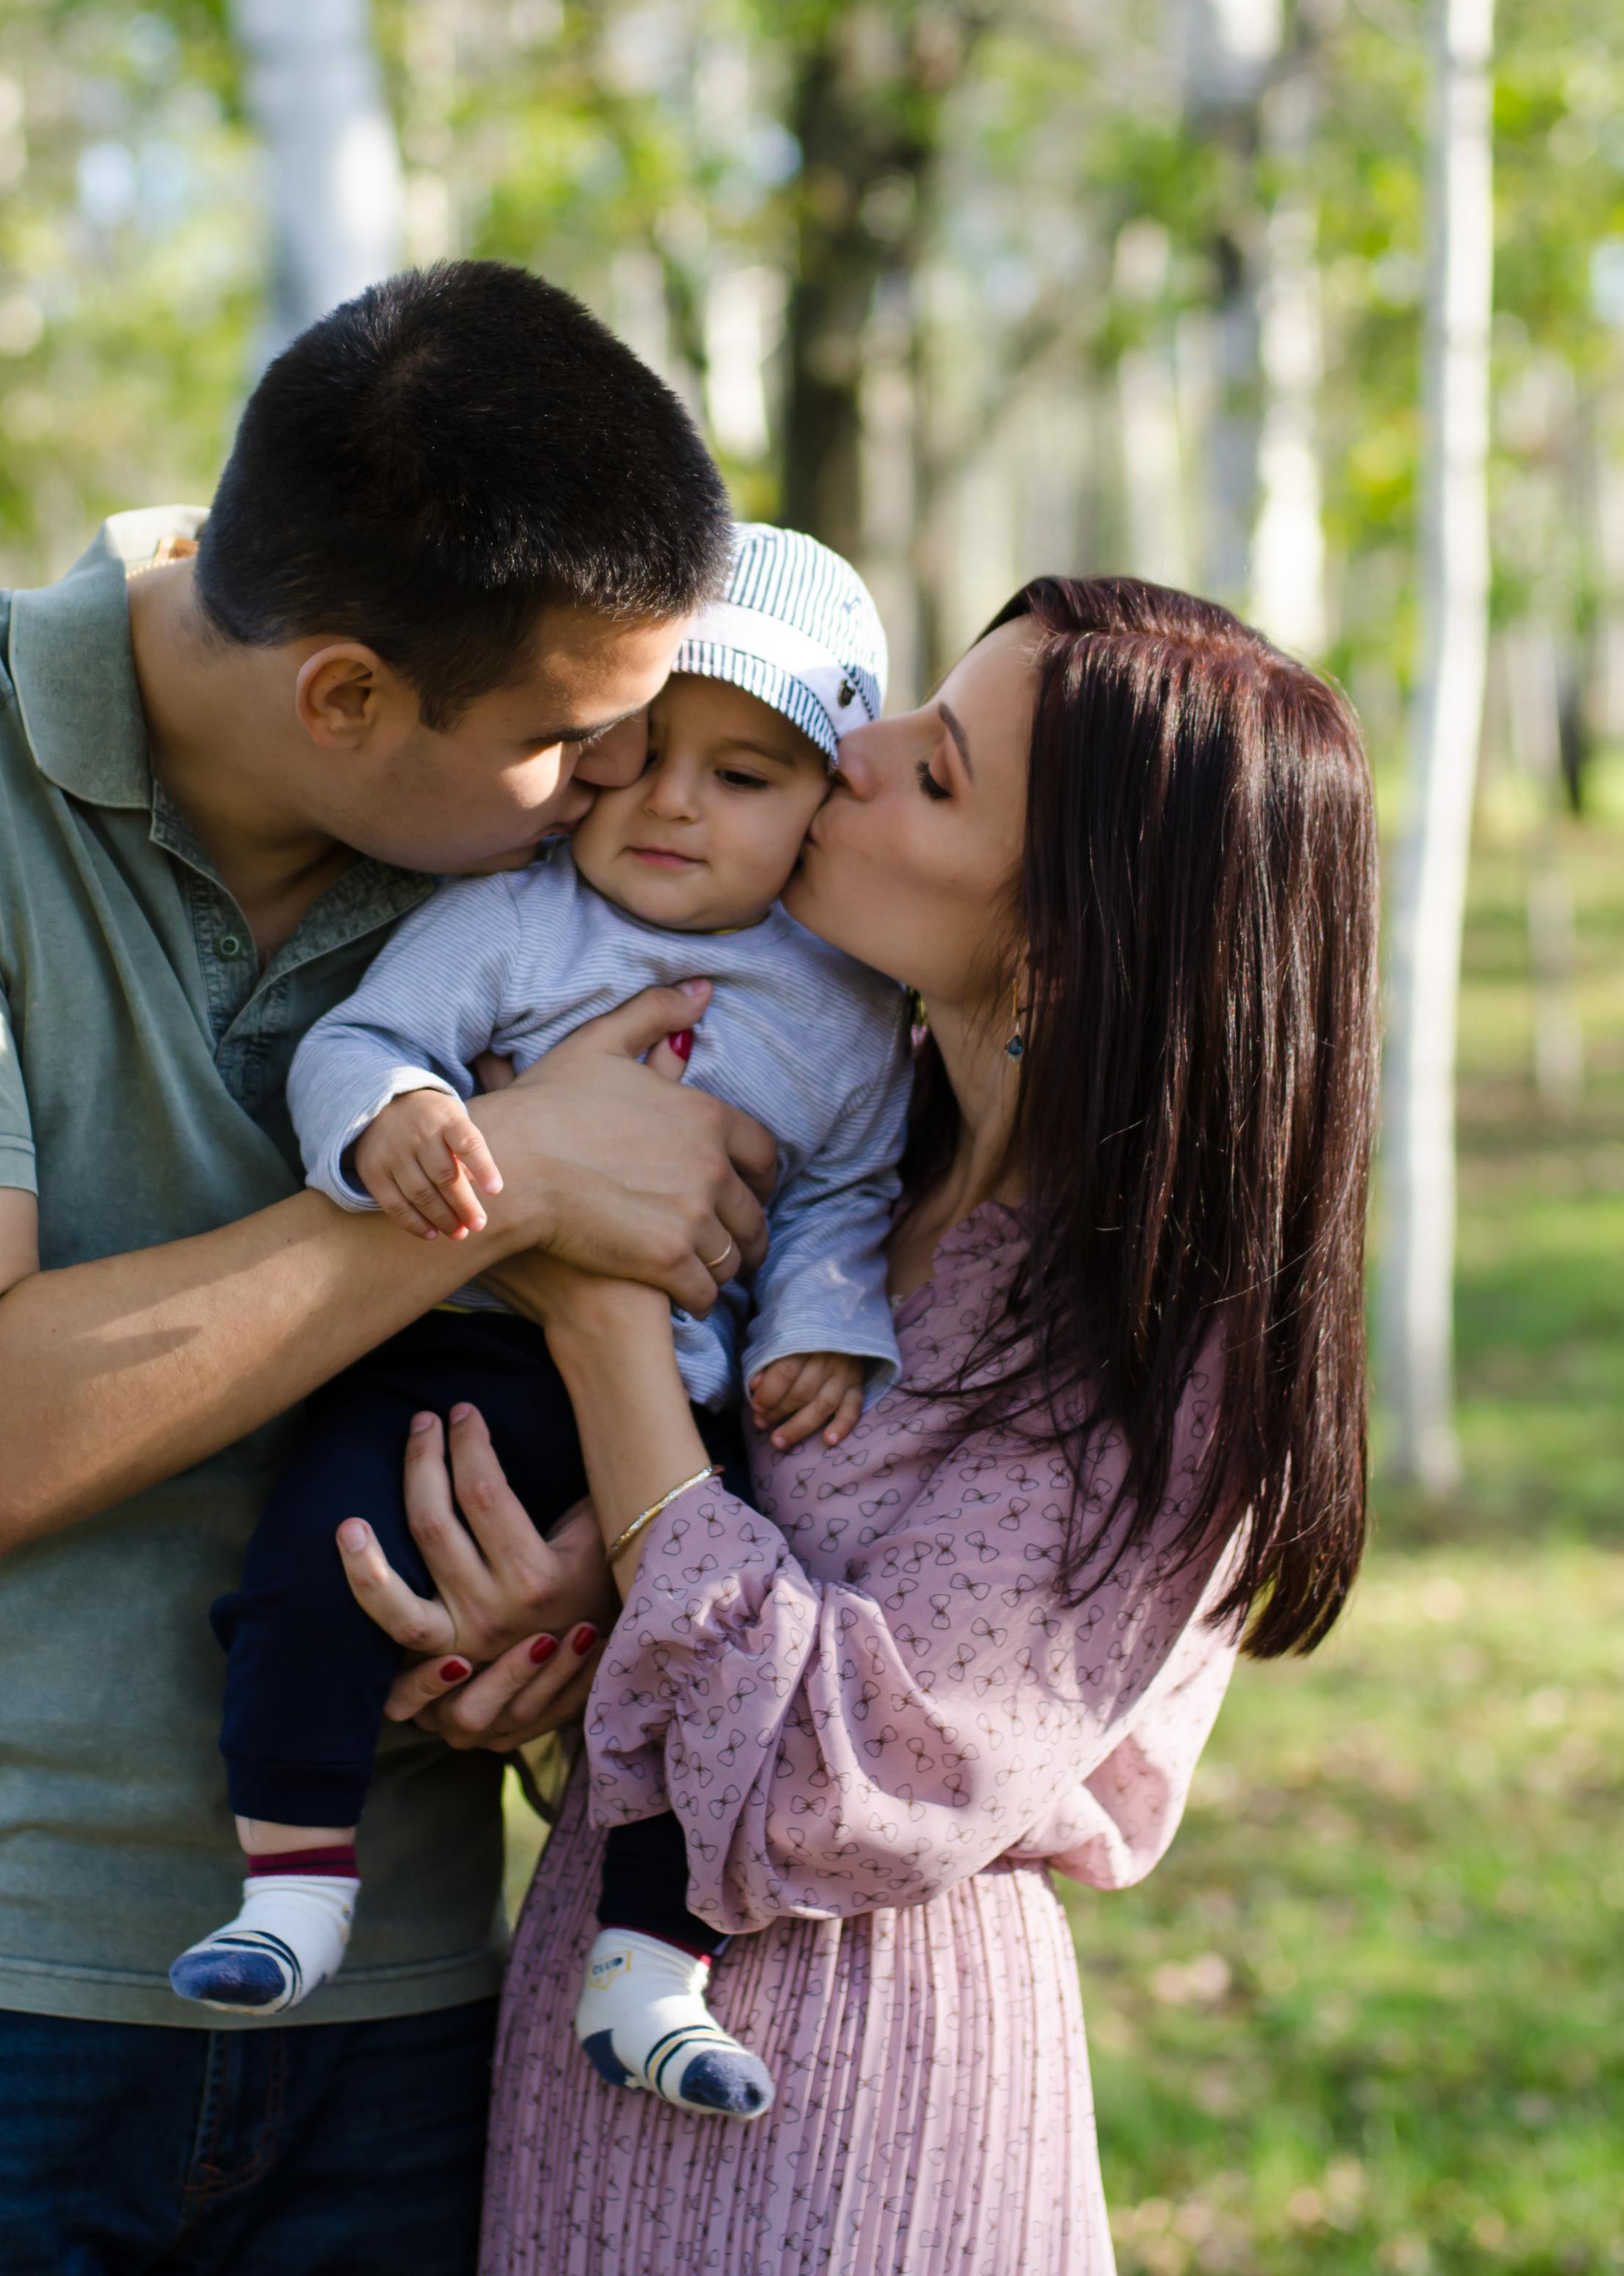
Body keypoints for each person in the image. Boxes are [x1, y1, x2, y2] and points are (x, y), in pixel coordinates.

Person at [0, 261, 781, 2276]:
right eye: (569, 736)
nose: (621, 787)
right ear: (345, 696)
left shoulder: (513, 865)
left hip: (406, 2011)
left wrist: (567, 1594)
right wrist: (503, 1176)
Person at [343, 577, 1381, 2276]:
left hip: (847, 2093)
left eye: (937, 769)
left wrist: (595, 1297)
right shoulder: (849, 1155)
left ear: (1060, 934)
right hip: (577, 2040)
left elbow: (853, 1771)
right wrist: (559, 1640)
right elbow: (695, 1589)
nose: (855, 749)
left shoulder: (1149, 1332)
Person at [168, 528, 912, 2137]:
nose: (672, 804)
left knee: (677, 1661)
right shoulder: (514, 921)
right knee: (316, 1556)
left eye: (747, 774)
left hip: (686, 1410)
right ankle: (290, 1877)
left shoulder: (847, 1007)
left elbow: (845, 1194)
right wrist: (396, 1116)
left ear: (818, 803)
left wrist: (822, 1325)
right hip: (459, 1349)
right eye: (644, 755)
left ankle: (650, 1959)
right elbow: (365, 1035)